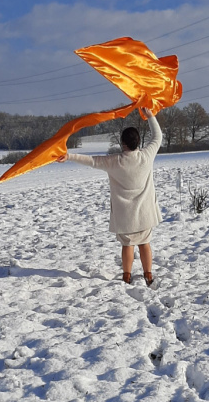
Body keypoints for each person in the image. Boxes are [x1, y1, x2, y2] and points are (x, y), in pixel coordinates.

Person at [57, 107, 162, 286]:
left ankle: (127, 276)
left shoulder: (114, 161)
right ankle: (148, 275)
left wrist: (68, 156)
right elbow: (157, 136)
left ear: (123, 144)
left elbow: (92, 161)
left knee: (127, 245)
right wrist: (150, 115)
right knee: (145, 243)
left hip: (125, 216)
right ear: (138, 142)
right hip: (146, 213)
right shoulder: (147, 156)